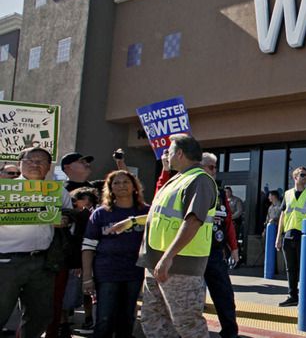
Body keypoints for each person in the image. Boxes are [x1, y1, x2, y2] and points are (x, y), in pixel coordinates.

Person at [138, 134, 217, 338]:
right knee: (153, 318)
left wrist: (167, 257)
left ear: (180, 153)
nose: (166, 155)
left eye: (170, 151)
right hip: (158, 262)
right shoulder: (178, 178)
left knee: (187, 324)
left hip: (179, 266)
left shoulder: (200, 180)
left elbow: (193, 221)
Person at [0, 147, 73, 338]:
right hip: (7, 262)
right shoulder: (5, 189)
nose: (35, 164)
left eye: (41, 161)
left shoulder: (58, 191)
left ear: (49, 167)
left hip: (42, 262)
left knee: (40, 315)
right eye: (30, 160)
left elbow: (69, 215)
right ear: (19, 163)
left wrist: (65, 220)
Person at [80, 171, 148, 338]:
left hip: (135, 272)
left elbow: (160, 220)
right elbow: (88, 246)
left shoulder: (146, 211)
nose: (121, 186)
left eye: (126, 182)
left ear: (134, 186)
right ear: (110, 189)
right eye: (116, 183)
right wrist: (87, 277)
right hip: (107, 272)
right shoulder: (101, 213)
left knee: (127, 319)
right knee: (104, 320)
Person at [200, 153, 241, 338]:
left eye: (215, 167)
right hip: (190, 254)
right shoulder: (189, 187)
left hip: (215, 253)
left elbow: (228, 222)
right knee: (190, 300)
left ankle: (230, 333)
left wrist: (234, 248)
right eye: (210, 167)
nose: (214, 171)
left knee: (225, 295)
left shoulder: (220, 193)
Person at [275, 166, 306, 307]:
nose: (305, 178)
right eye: (302, 175)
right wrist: (278, 237)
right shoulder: (287, 195)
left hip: (304, 235)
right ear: (295, 177)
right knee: (290, 268)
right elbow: (282, 215)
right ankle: (293, 296)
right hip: (288, 234)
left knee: (304, 267)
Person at [64, 187, 99, 335]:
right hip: (77, 261)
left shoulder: (87, 216)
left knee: (87, 293)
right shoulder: (75, 215)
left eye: (82, 199)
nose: (78, 202)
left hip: (86, 261)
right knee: (72, 295)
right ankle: (72, 321)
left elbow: (80, 240)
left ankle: (88, 319)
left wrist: (78, 263)